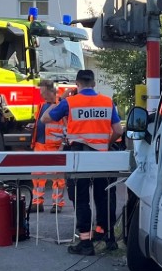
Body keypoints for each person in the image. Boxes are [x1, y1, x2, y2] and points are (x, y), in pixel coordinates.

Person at [48, 70, 121, 255]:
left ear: (77, 84)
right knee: (104, 196)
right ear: (94, 83)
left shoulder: (70, 102)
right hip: (101, 157)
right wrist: (106, 143)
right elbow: (118, 131)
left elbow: (44, 119)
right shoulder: (107, 102)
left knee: (81, 199)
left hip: (78, 157)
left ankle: (86, 243)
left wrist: (61, 98)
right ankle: (107, 236)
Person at [30, 79, 67, 212]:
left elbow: (66, 127)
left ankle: (57, 204)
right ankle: (37, 202)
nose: (41, 95)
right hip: (40, 145)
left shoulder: (61, 105)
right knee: (37, 176)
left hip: (55, 147)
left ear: (51, 91)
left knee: (57, 177)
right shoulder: (42, 105)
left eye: (43, 92)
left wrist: (62, 144)